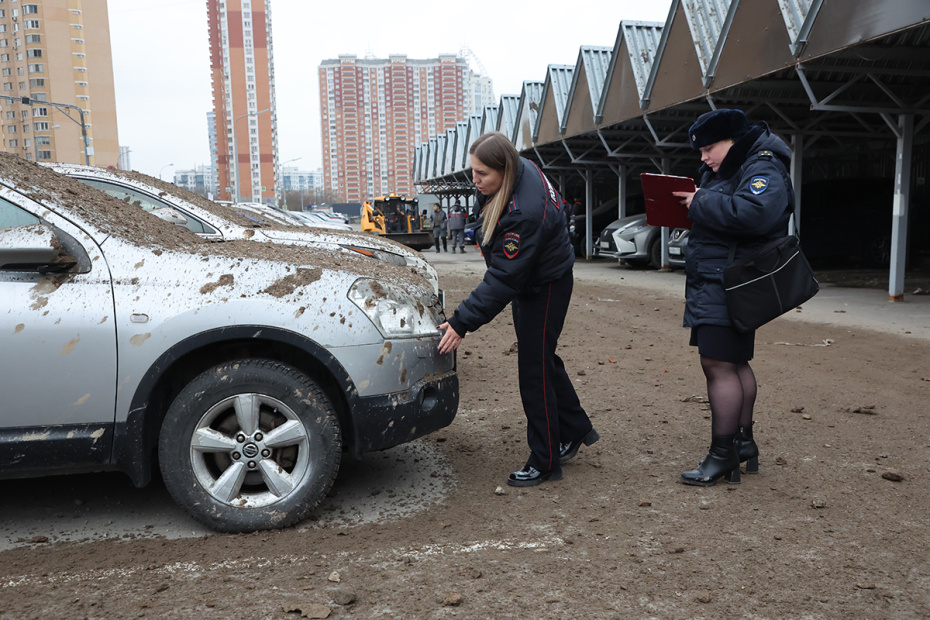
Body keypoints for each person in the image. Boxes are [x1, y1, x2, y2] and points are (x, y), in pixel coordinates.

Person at [436, 132, 598, 487]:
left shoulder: (522, 212)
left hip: (544, 285)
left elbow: (505, 278)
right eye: (473, 171)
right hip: (537, 277)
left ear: (505, 169)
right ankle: (576, 427)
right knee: (543, 359)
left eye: (482, 174)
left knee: (534, 370)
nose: (474, 181)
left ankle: (545, 460)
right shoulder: (519, 168)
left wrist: (461, 322)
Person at [671, 108, 794, 486]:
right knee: (735, 362)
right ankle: (742, 444)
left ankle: (722, 454)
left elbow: (756, 214)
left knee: (718, 364)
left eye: (709, 148)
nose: (703, 157)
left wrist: (699, 203)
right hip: (719, 278)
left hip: (730, 281)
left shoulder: (762, 167)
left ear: (734, 140)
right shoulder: (728, 169)